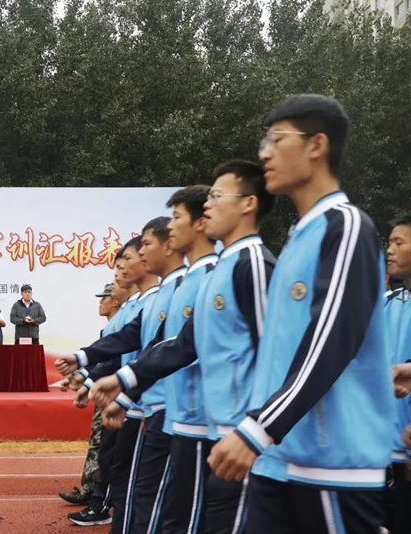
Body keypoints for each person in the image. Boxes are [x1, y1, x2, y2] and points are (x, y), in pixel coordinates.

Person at [206, 95, 392, 532]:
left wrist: (259, 428)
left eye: (277, 139)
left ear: (316, 145)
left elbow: (331, 339)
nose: (265, 153)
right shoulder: (299, 238)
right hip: (280, 458)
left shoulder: (346, 226)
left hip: (332, 465)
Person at [91, 163, 276, 533]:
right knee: (182, 517)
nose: (208, 205)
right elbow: (184, 343)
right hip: (202, 425)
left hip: (234, 430)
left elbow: (272, 352)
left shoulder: (252, 263)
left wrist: (257, 427)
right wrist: (125, 382)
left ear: (248, 204)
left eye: (217, 197)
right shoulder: (216, 271)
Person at [59, 217, 187, 534]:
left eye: (139, 250)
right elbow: (126, 343)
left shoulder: (183, 287)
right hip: (141, 402)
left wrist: (117, 388)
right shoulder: (151, 299)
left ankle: (101, 506)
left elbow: (166, 349)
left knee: (152, 493)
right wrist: (85, 365)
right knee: (130, 481)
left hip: (167, 407)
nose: (122, 269)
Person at [384, 215, 411, 534]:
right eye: (389, 241)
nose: (389, 250)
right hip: (379, 453)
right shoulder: (384, 306)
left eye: (398, 242)